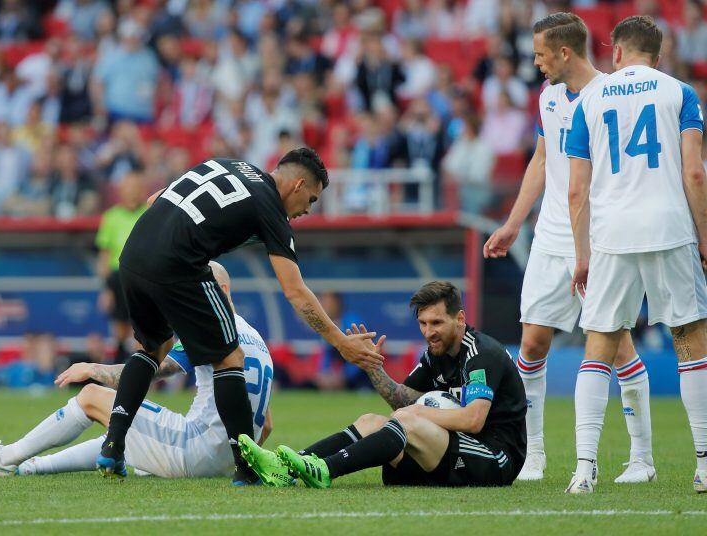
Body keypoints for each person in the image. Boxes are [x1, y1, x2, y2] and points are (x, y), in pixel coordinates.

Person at [99, 148, 383, 484]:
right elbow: (295, 292)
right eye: (312, 199)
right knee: (230, 358)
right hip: (177, 263)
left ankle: (113, 446)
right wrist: (340, 342)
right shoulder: (270, 208)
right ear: (298, 184)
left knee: (152, 350)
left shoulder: (232, 164)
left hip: (132, 257)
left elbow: (153, 200)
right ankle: (245, 467)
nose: (308, 209)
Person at [484, 13, 655, 483]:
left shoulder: (611, 96)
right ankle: (532, 454)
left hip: (599, 239)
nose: (535, 62)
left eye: (540, 54)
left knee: (617, 345)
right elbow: (543, 159)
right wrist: (513, 223)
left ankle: (642, 457)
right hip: (551, 237)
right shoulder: (550, 97)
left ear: (563, 52)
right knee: (533, 343)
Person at [0, 262, 276, 480]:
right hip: (228, 458)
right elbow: (268, 424)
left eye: (197, 288)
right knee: (122, 432)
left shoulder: (210, 326)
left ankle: (4, 458)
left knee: (94, 396)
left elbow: (156, 368)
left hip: (195, 448)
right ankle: (29, 467)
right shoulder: (256, 338)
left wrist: (91, 368)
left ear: (219, 287)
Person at [565, 16, 707, 494]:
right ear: (658, 55)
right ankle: (705, 465)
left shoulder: (588, 100)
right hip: (669, 227)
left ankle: (584, 469)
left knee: (599, 347)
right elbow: (694, 175)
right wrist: (705, 239)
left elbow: (576, 191)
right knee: (690, 343)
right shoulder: (679, 93)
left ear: (617, 52)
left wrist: (582, 254)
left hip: (612, 235)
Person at [238, 281, 526, 489]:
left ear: (460, 318)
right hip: (450, 452)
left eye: (436, 323)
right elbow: (402, 401)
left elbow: (473, 419)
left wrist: (416, 414)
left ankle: (324, 469)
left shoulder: (481, 354)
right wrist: (372, 368)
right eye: (423, 323)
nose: (429, 332)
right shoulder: (435, 354)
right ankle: (285, 465)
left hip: (494, 458)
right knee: (371, 421)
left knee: (408, 421)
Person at [95, 171, 147, 364]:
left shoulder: (149, 213)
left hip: (143, 277)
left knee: (143, 328)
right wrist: (106, 288)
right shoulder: (111, 217)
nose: (133, 191)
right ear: (121, 191)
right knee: (120, 330)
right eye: (129, 187)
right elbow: (104, 255)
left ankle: (146, 374)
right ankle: (120, 374)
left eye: (137, 187)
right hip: (118, 278)